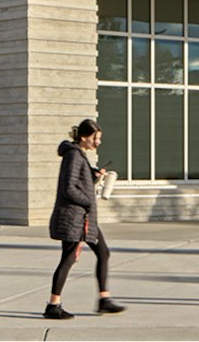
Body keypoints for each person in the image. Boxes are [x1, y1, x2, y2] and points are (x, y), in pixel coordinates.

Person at [44, 119, 125, 320]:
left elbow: (78, 181)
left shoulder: (78, 156)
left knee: (103, 253)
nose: (98, 142)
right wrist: (88, 200)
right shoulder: (73, 155)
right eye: (95, 138)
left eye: (99, 138)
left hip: (84, 218)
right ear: (83, 137)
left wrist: (93, 176)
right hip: (75, 218)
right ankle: (53, 305)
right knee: (69, 258)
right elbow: (68, 188)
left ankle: (104, 299)